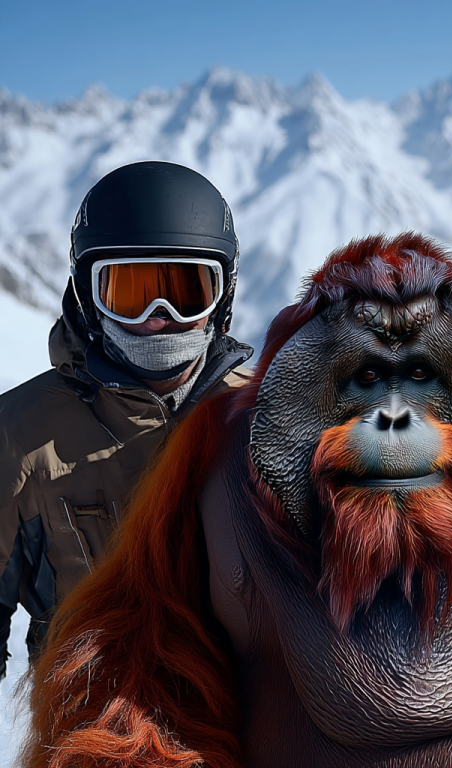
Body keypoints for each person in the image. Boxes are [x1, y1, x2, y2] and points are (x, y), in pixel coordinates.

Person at [0, 161, 253, 676]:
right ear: (88, 297)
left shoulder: (262, 419)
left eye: (186, 293)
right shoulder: (19, 434)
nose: (158, 317)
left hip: (245, 714)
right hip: (94, 712)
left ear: (222, 296)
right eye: (129, 293)